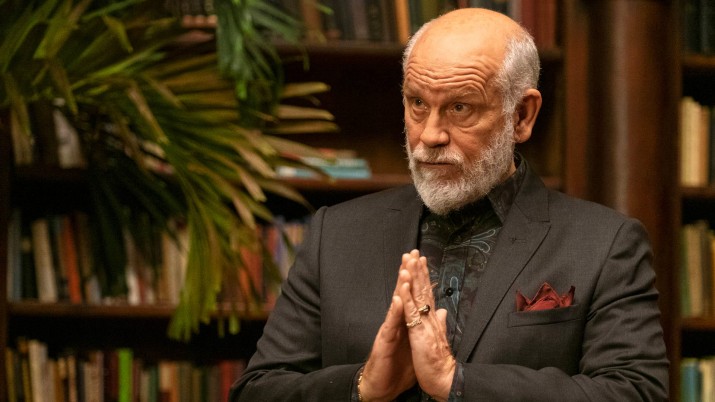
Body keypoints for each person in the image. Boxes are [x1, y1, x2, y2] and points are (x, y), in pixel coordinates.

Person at [229, 7, 669, 402]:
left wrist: (457, 383)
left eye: (460, 107)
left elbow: (634, 392)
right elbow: (258, 390)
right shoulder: (336, 234)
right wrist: (363, 386)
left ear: (521, 116)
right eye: (417, 103)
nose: (429, 135)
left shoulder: (605, 244)